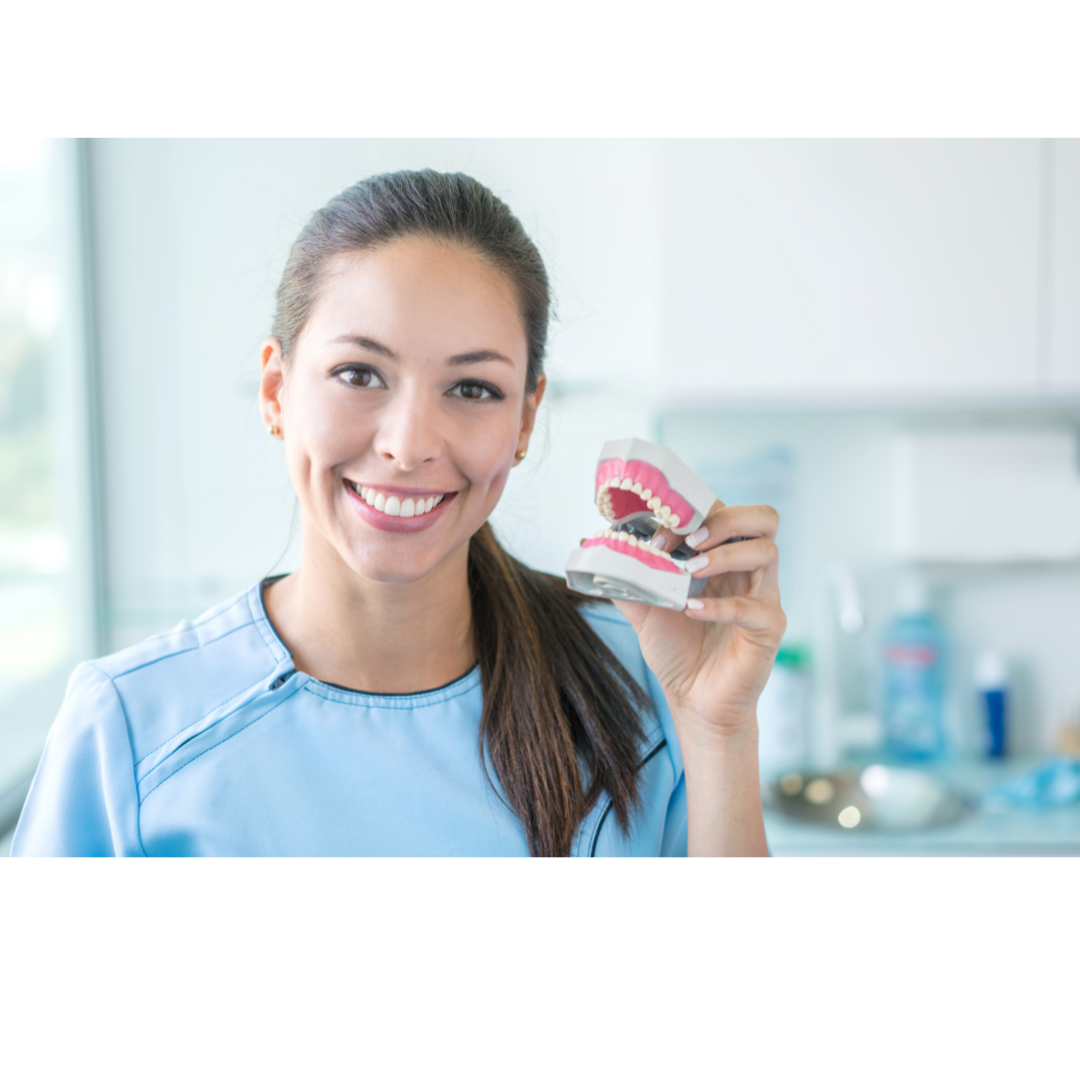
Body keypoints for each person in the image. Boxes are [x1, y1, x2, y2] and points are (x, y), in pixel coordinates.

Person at [13, 171, 784, 858]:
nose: (410, 445)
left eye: (473, 388)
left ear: (524, 419)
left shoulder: (641, 677)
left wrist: (719, 730)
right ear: (277, 390)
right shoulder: (129, 729)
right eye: (359, 373)